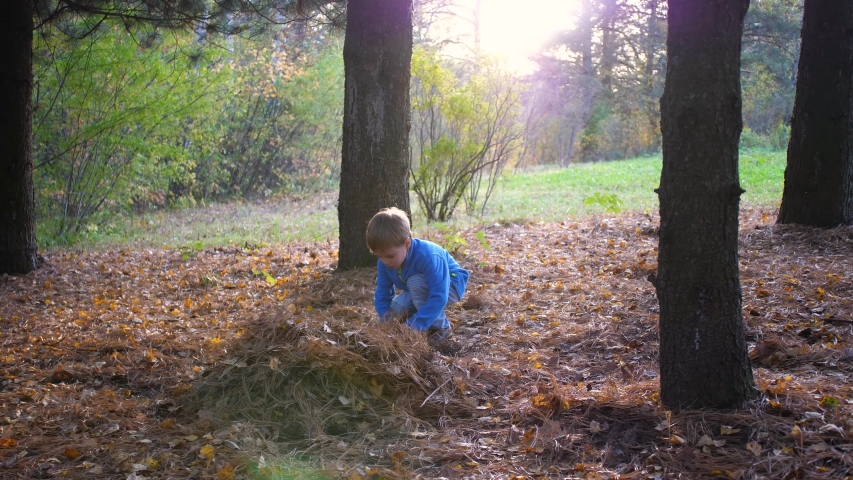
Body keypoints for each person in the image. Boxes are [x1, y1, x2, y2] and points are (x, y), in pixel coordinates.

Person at [366, 207, 469, 345]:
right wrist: (386, 319)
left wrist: (414, 326)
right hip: (418, 287)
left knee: (416, 283)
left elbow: (439, 296)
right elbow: (383, 292)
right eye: (380, 256)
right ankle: (420, 317)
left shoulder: (428, 256)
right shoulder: (384, 262)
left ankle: (441, 329)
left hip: (450, 285)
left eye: (390, 256)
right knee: (397, 310)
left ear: (407, 243)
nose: (385, 261)